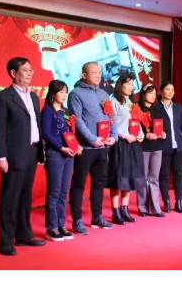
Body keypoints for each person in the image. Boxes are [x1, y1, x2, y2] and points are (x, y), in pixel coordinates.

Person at [0, 57, 47, 256]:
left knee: (25, 197)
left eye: (31, 70)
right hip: (13, 155)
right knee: (9, 198)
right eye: (25, 70)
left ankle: (24, 235)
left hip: (32, 152)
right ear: (13, 73)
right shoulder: (3, 97)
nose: (30, 73)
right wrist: (1, 157)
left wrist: (40, 150)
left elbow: (36, 125)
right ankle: (5, 241)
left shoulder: (33, 96)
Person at [68, 62, 118, 234]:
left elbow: (112, 117)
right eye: (94, 72)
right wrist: (92, 139)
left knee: (98, 184)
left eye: (99, 72)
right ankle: (77, 220)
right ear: (84, 75)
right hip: (85, 148)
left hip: (103, 147)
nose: (98, 75)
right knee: (79, 184)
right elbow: (77, 120)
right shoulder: (76, 94)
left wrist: (114, 136)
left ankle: (97, 217)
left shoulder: (104, 93)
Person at [40, 79, 81, 242]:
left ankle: (61, 224)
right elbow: (46, 134)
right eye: (61, 92)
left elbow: (70, 132)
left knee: (64, 191)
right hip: (55, 153)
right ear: (53, 93)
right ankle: (52, 227)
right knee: (54, 191)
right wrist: (61, 148)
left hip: (69, 154)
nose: (64, 95)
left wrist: (76, 145)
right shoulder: (48, 110)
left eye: (66, 92)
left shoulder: (66, 111)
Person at [106, 73, 146, 224]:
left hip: (133, 144)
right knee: (118, 178)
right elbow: (111, 124)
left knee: (129, 178)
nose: (131, 87)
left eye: (132, 85)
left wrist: (141, 134)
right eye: (128, 84)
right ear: (120, 85)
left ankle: (125, 210)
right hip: (121, 144)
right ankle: (116, 212)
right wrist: (124, 135)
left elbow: (136, 122)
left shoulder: (132, 102)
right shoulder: (114, 102)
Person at [154, 81, 182, 214]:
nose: (170, 92)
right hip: (164, 145)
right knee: (163, 175)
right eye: (167, 89)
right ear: (161, 91)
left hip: (179, 145)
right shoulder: (156, 107)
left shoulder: (178, 107)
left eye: (172, 90)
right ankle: (166, 201)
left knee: (178, 175)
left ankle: (178, 202)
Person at [136, 84, 166, 217]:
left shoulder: (158, 109)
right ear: (144, 94)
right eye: (150, 93)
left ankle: (155, 208)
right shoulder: (137, 109)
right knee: (142, 177)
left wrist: (163, 134)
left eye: (154, 93)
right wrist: (145, 135)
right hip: (143, 147)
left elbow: (162, 127)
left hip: (157, 147)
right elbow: (134, 128)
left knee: (154, 178)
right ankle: (142, 207)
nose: (153, 96)